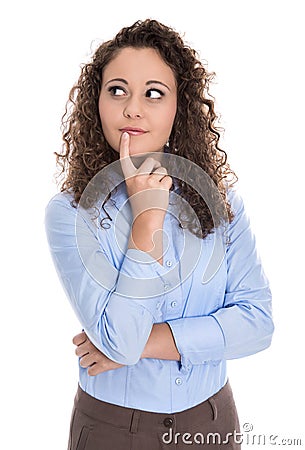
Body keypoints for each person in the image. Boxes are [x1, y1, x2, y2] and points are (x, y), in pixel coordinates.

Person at [45, 19, 274, 450]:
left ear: (178, 108)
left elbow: (258, 324)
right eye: (117, 90)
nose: (133, 108)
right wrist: (147, 223)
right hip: (111, 430)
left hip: (212, 422)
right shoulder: (71, 214)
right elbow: (120, 341)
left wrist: (148, 342)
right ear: (96, 104)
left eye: (154, 93)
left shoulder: (222, 203)